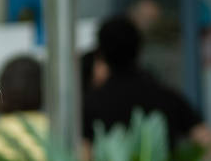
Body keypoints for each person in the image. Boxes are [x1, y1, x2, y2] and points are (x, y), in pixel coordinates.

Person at [82, 15, 211, 150]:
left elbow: (83, 155)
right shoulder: (167, 98)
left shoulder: (92, 104)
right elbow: (205, 140)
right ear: (139, 49)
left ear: (101, 54)